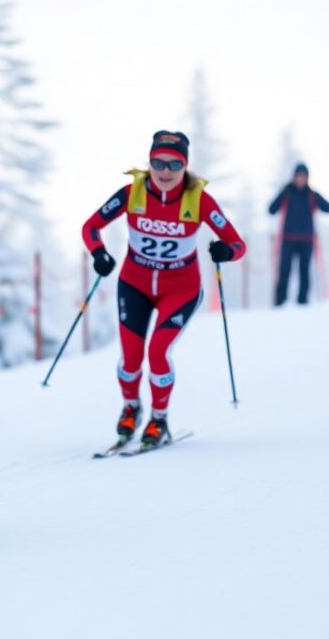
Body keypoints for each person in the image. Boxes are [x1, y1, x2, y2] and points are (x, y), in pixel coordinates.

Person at [81, 130, 246, 448]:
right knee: (130, 358)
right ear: (150, 161)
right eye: (158, 162)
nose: (165, 171)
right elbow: (91, 227)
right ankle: (131, 408)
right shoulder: (132, 193)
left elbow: (237, 244)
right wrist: (99, 253)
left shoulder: (198, 199)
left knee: (157, 352)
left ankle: (159, 418)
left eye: (174, 164)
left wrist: (225, 252)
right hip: (135, 284)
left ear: (185, 166)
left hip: (181, 289)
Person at [268, 162, 329, 305]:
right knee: (284, 270)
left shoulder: (312, 195)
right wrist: (282, 194)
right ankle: (280, 301)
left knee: (304, 272)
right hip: (288, 239)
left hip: (306, 240)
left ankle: (303, 301)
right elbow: (271, 210)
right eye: (299, 176)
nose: (301, 179)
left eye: (304, 176)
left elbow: (326, 207)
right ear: (294, 176)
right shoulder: (287, 193)